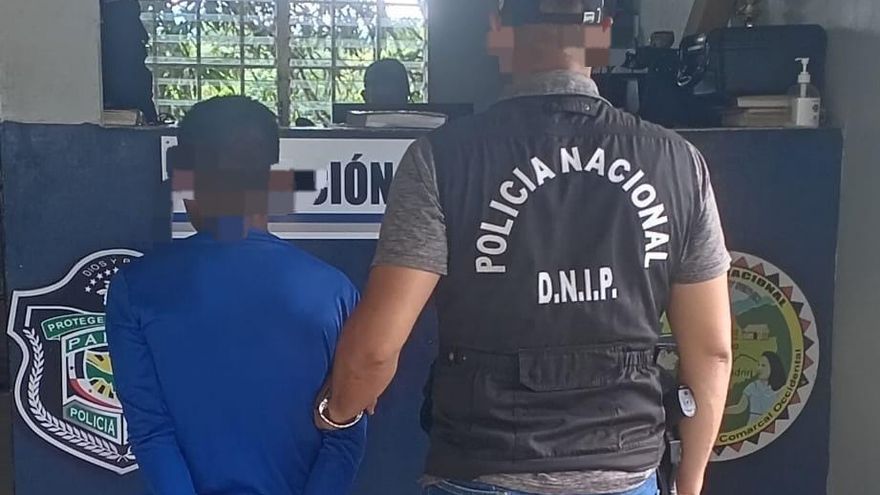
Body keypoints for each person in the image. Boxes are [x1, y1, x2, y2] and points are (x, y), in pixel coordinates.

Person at [318, 1, 732, 495]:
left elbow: (376, 350)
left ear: (498, 29)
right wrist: (689, 480)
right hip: (626, 469)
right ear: (602, 33)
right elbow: (712, 352)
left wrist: (334, 415)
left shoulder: (442, 160)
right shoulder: (679, 163)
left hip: (482, 465)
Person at [106, 96, 366, 495]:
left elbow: (152, 432)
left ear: (187, 178)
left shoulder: (135, 289)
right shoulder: (336, 292)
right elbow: (345, 435)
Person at [725, 351, 786, 420]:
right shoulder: (752, 387)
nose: (759, 368)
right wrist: (723, 410)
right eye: (758, 365)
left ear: (773, 367)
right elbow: (740, 407)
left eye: (763, 365)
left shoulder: (782, 389)